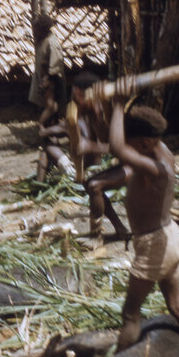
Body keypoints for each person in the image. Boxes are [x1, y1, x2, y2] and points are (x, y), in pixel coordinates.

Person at [105, 78, 179, 357]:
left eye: (135, 144)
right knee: (177, 304)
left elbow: (116, 145)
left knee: (130, 313)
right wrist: (124, 103)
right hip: (171, 237)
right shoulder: (162, 150)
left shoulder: (153, 167)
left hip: (155, 244)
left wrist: (118, 104)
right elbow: (130, 135)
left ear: (142, 143)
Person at [58, 70, 130, 246]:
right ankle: (120, 228)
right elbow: (95, 147)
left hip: (138, 162)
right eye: (75, 97)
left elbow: (116, 147)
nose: (77, 102)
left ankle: (96, 236)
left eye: (80, 97)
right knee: (91, 184)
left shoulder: (105, 106)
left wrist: (91, 146)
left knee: (94, 185)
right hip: (124, 161)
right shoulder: (83, 111)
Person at [29, 13, 65, 129]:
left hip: (50, 81)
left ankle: (42, 126)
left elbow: (56, 64)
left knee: (50, 106)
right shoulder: (42, 41)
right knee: (51, 107)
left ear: (43, 28)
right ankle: (52, 131)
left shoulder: (52, 43)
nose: (34, 31)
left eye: (36, 28)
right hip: (44, 80)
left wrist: (48, 80)